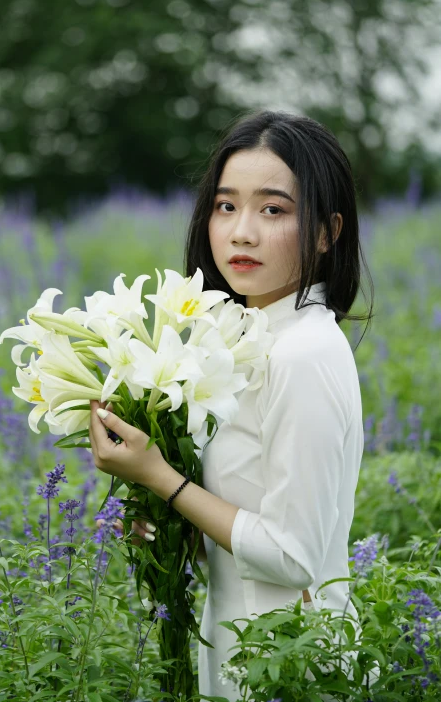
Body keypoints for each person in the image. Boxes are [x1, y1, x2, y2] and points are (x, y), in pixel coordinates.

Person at [91, 109, 375, 699]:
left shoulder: (302, 353)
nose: (241, 231)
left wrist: (163, 480)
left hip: (291, 670)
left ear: (327, 232)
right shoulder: (244, 340)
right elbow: (251, 517)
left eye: (273, 209)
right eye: (226, 206)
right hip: (245, 655)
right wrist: (167, 526)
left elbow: (293, 558)